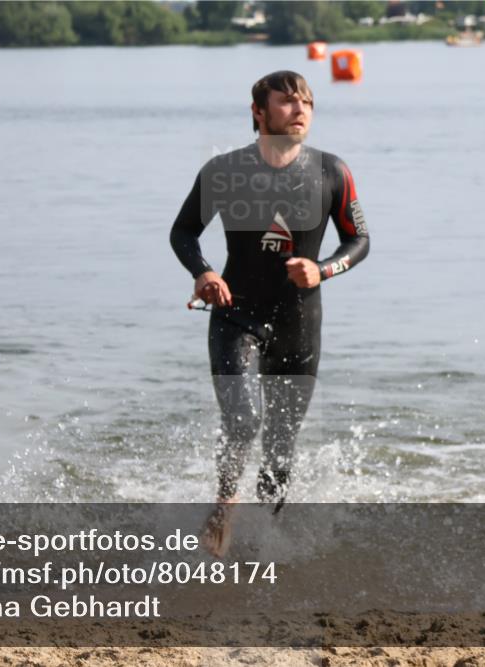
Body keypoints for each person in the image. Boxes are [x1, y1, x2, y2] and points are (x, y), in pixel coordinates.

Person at [170, 70, 370, 557]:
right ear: (258, 112)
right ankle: (223, 507)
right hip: (236, 314)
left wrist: (323, 270)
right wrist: (204, 273)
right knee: (242, 419)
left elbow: (359, 240)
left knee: (280, 452)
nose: (299, 110)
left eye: (306, 102)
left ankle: (267, 548)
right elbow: (183, 233)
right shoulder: (224, 171)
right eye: (286, 101)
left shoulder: (332, 172)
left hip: (299, 322)